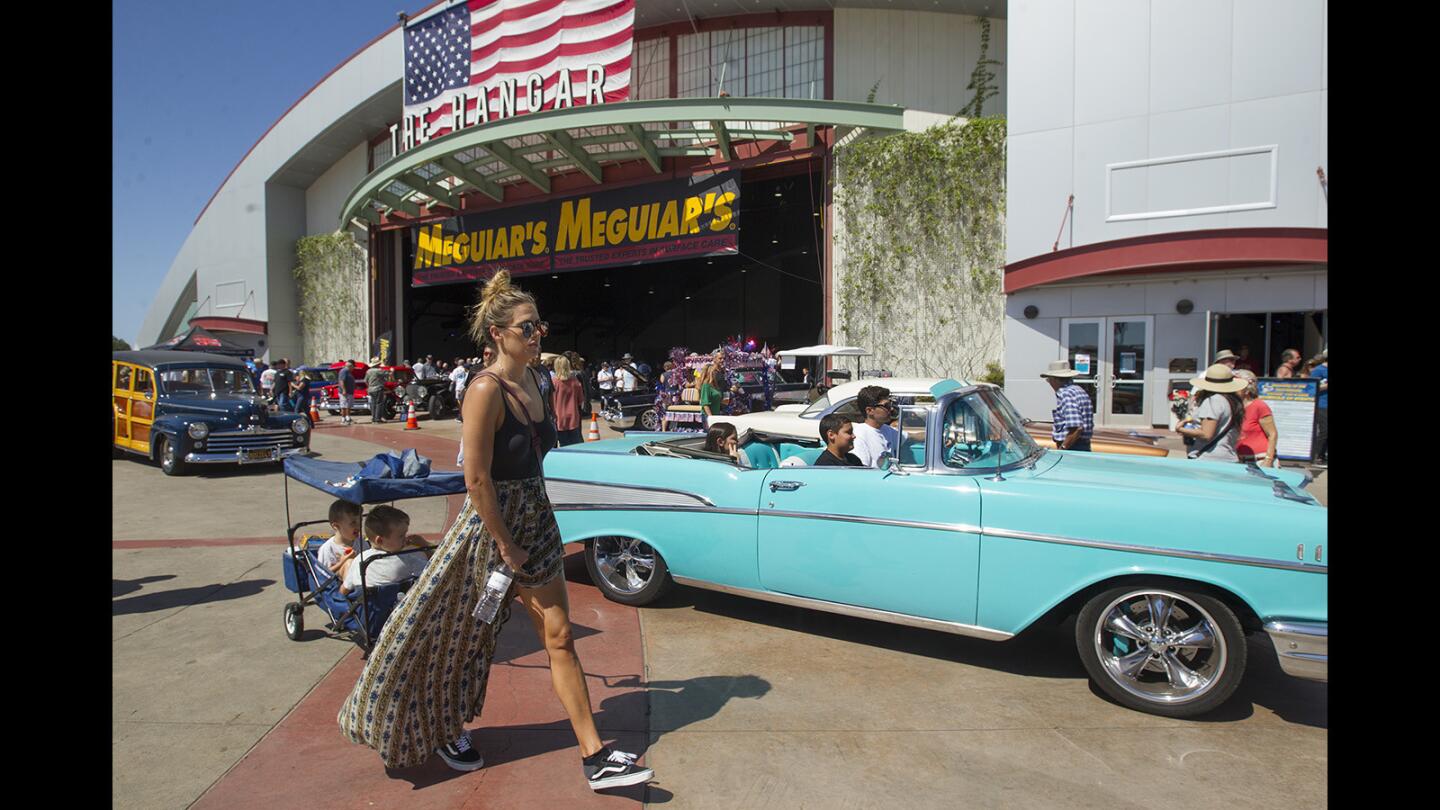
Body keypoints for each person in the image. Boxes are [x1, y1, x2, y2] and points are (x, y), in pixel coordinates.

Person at [339, 270, 653, 789]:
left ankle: (595, 758)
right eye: (527, 329)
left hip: (536, 515)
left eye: (539, 326)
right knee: (446, 635)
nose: (537, 337)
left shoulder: (541, 379)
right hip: (490, 527)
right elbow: (478, 478)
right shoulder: (484, 390)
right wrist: (506, 545)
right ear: (498, 334)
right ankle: (436, 725)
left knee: (559, 637)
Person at [338, 505, 433, 597]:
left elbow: (344, 589)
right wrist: (425, 545)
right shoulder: (406, 561)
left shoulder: (360, 559)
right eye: (401, 536)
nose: (405, 538)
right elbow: (435, 569)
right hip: (395, 607)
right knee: (419, 553)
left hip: (367, 609)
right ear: (379, 540)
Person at [1176, 363, 1246, 462]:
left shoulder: (1214, 401)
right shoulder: (1232, 401)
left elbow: (1206, 434)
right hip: (1226, 456)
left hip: (1210, 458)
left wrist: (1181, 429)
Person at [1041, 361, 1094, 451]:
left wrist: (1063, 448)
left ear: (1056, 379)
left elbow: (1077, 427)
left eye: (1049, 380)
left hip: (1074, 446)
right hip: (1081, 443)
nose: (1049, 383)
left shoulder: (1066, 394)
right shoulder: (1078, 390)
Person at [1233, 370, 1278, 467]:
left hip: (1260, 459)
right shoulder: (1235, 407)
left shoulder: (1259, 406)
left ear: (1247, 390)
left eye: (1237, 386)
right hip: (1240, 460)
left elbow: (1272, 434)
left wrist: (1268, 460)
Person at [316, 500, 368, 582]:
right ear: (336, 526)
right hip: (337, 588)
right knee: (349, 563)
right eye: (353, 523)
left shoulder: (361, 543)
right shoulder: (327, 549)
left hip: (363, 582)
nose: (358, 526)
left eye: (360, 521)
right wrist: (343, 562)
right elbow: (322, 576)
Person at [850, 385, 901, 467]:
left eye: (890, 405)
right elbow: (861, 470)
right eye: (886, 406)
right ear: (869, 411)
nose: (891, 409)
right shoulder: (859, 436)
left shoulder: (887, 429)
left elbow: (912, 436)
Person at [552, 355, 586, 446]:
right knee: (575, 444)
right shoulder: (575, 381)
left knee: (564, 444)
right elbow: (581, 401)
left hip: (559, 418)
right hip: (573, 417)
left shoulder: (553, 382)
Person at [1311, 351, 1328, 467]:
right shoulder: (1318, 370)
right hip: (1322, 404)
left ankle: (1322, 455)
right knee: (1324, 430)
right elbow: (1313, 387)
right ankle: (1317, 456)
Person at [363, 359, 388, 423]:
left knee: (373, 403)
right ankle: (377, 418)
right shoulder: (378, 370)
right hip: (378, 388)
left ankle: (374, 418)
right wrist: (391, 371)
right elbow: (387, 373)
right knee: (379, 403)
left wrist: (369, 386)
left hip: (370, 389)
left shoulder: (368, 371)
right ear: (377, 364)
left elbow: (365, 381)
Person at [337, 360, 357, 425]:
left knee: (348, 405)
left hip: (349, 392)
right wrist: (344, 390)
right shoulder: (344, 371)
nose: (353, 368)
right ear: (350, 366)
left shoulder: (348, 372)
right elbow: (341, 381)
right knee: (344, 405)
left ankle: (348, 418)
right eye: (353, 367)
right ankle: (343, 419)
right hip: (345, 392)